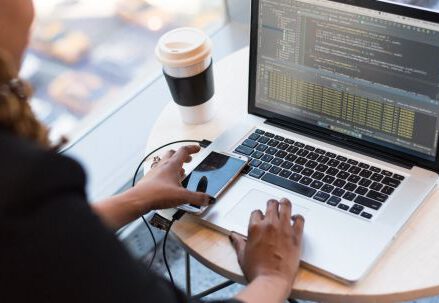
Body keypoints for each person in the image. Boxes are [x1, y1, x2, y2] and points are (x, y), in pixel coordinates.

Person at [0, 1, 305, 302]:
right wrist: (271, 279)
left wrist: (137, 197)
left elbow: (46, 236)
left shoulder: (24, 194)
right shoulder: (24, 183)